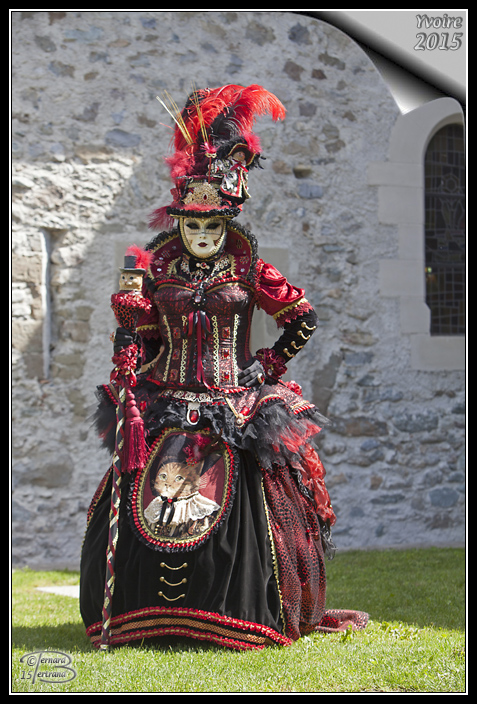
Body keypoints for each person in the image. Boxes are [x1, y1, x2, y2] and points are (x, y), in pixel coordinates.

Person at [80, 84, 368, 651]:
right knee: (144, 497)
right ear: (180, 221)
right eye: (194, 226)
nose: (203, 236)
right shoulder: (156, 267)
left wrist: (269, 363)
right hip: (166, 399)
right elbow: (141, 333)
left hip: (235, 401)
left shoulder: (249, 266)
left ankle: (236, 612)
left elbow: (302, 317)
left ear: (228, 220)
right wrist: (128, 348)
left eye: (213, 226)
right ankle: (145, 614)